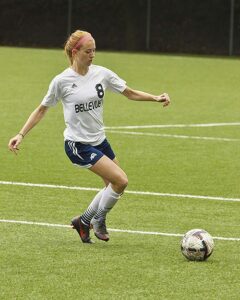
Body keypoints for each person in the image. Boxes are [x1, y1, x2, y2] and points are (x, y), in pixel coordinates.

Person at [8, 30, 170, 244]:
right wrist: (21, 134)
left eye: (94, 50)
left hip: (99, 141)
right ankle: (99, 219)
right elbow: (41, 110)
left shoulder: (101, 73)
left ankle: (84, 221)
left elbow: (129, 93)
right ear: (75, 52)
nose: (93, 55)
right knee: (121, 180)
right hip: (78, 145)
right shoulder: (61, 81)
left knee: (113, 186)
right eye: (88, 51)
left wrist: (155, 97)